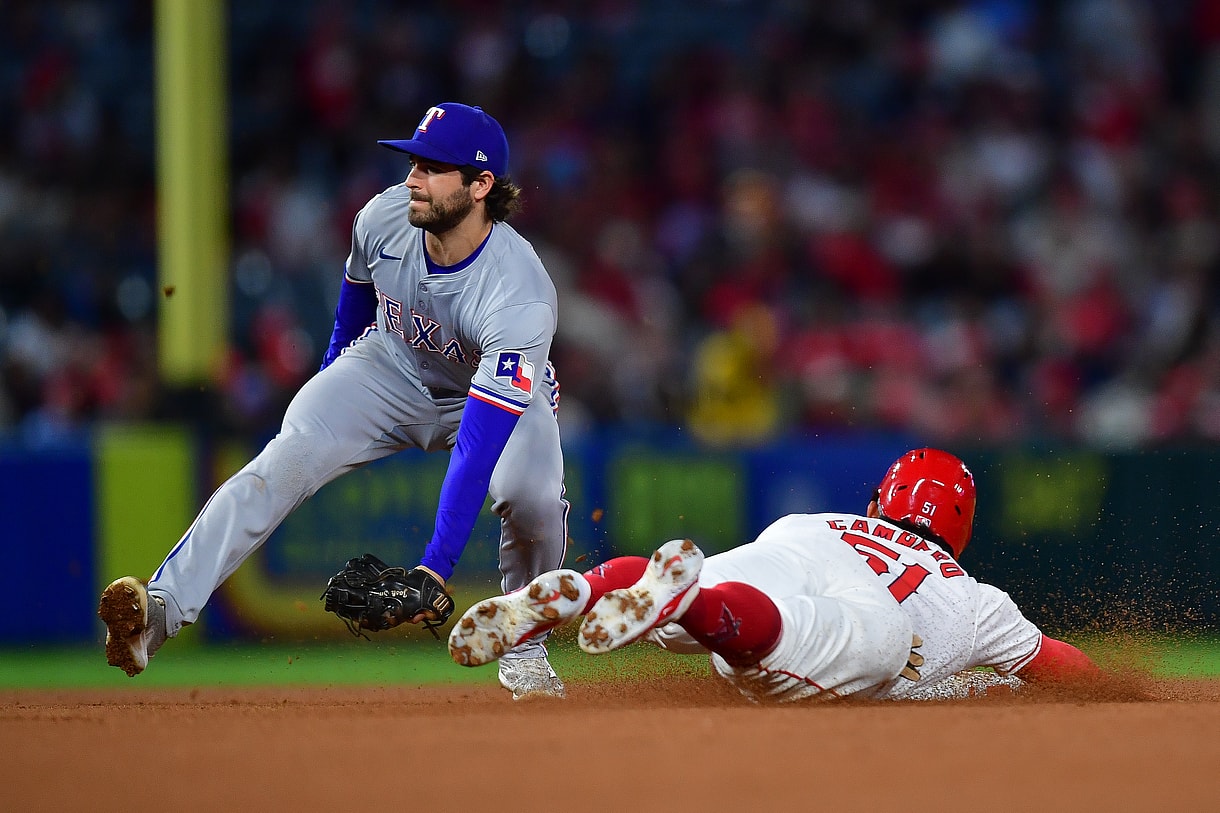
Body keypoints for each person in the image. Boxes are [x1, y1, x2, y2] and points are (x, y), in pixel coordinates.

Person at [99, 102, 571, 700]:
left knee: (529, 499)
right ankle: (160, 611)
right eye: (413, 161)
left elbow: (477, 443)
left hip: (492, 395)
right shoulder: (384, 217)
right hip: (391, 368)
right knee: (285, 459)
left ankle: (526, 647)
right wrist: (330, 393)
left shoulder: (519, 294)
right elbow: (354, 300)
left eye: (433, 167)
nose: (412, 179)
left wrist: (435, 567)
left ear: (481, 186)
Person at [448, 448, 1101, 702]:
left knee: (697, 596)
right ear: (961, 529)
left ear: (881, 501)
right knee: (825, 640)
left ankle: (597, 587)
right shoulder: (971, 593)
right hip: (869, 615)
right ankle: (693, 605)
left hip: (796, 542)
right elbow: (1053, 662)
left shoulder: (829, 517)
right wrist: (1113, 686)